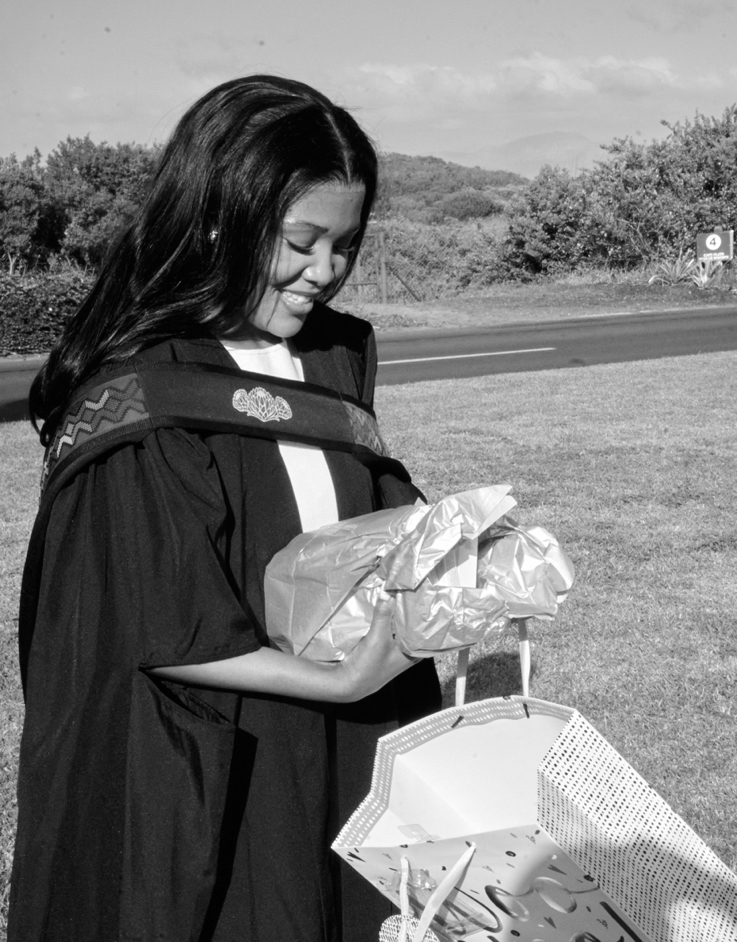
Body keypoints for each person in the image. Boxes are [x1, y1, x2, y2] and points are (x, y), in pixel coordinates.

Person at [10, 75, 441, 942]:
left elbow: (365, 527)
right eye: (301, 242)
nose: (325, 272)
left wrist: (456, 561)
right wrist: (341, 680)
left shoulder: (334, 359)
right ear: (219, 220)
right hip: (217, 765)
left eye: (345, 244)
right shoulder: (142, 393)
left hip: (349, 746)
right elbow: (161, 619)